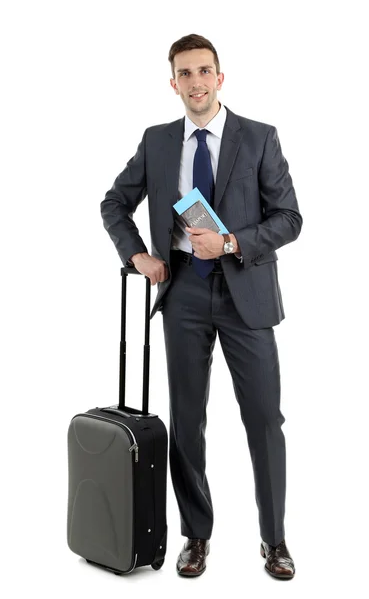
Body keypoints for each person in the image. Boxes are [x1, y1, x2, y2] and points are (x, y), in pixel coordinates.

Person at [100, 33, 303, 580]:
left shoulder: (260, 138)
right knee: (187, 421)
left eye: (204, 71)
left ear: (221, 77)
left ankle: (275, 540)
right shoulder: (158, 140)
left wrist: (232, 242)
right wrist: (138, 254)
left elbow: (289, 218)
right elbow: (115, 202)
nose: (195, 82)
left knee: (264, 420)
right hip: (184, 292)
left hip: (247, 296)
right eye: (184, 73)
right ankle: (196, 536)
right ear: (173, 83)